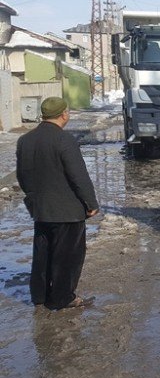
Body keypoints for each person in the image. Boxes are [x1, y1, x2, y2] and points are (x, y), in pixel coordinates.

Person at [16, 97, 100, 310]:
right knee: (67, 257)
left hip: (41, 209)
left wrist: (34, 198)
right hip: (68, 211)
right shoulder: (65, 140)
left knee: (42, 254)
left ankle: (40, 296)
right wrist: (90, 202)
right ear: (64, 114)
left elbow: (22, 176)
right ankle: (63, 298)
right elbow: (78, 176)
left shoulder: (25, 140)